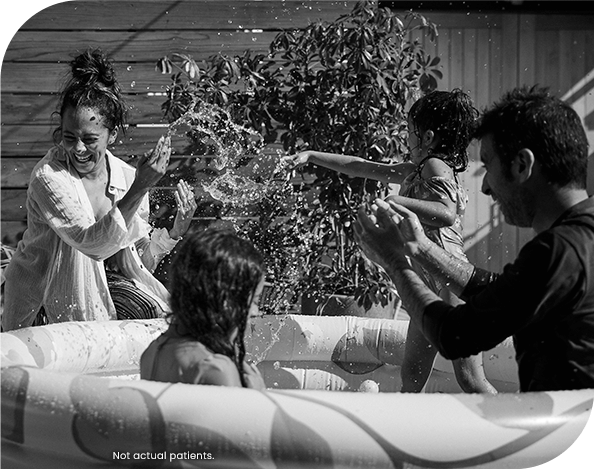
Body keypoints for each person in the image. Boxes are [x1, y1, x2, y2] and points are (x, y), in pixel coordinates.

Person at [354, 85, 594, 392]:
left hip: (559, 434)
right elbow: (500, 292)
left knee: (469, 378)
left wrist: (394, 261)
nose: (483, 189)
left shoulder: (559, 250)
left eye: (488, 165)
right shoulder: (574, 243)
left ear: (522, 165)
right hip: (559, 422)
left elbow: (456, 335)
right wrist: (423, 248)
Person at [284, 89, 496, 394]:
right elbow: (359, 166)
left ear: (428, 137)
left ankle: (512, 424)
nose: (406, 138)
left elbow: (446, 214)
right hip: (427, 284)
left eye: (410, 132)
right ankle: (410, 434)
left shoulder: (436, 166)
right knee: (411, 376)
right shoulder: (414, 171)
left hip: (449, 281)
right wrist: (312, 156)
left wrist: (397, 201)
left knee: (470, 379)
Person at [1, 49, 197, 331]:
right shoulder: (50, 177)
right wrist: (141, 188)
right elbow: (93, 244)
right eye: (69, 137)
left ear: (113, 133)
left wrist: (174, 233)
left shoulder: (127, 176)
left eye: (89, 139)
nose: (78, 149)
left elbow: (134, 262)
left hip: (99, 308)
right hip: (39, 310)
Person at [140, 228, 266, 389]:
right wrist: (258, 395)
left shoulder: (153, 352)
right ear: (225, 300)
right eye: (254, 300)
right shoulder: (215, 369)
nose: (256, 312)